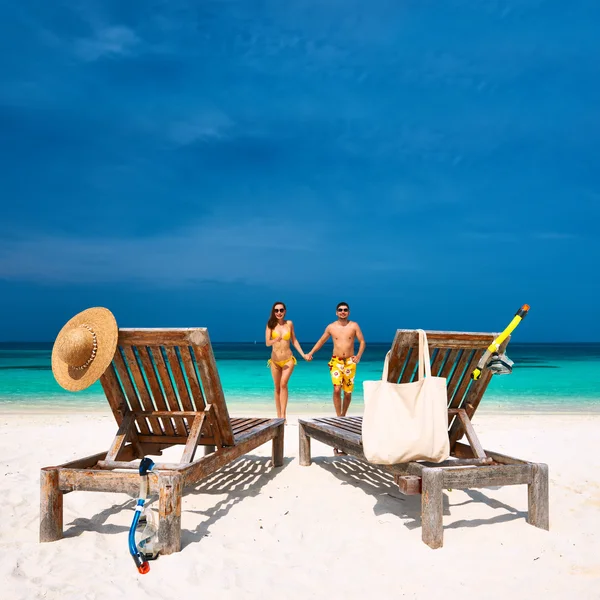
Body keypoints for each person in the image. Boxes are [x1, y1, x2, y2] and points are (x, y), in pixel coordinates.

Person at [307, 301, 366, 434]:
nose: (342, 312)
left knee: (348, 392)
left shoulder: (354, 325)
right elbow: (321, 341)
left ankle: (343, 415)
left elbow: (362, 341)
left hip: (350, 362)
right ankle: (338, 416)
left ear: (348, 312)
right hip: (336, 361)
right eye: (340, 310)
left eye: (345, 310)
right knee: (337, 389)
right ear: (336, 312)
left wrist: (359, 356)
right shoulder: (331, 327)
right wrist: (310, 353)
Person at [265, 301, 308, 421]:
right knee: (277, 387)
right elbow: (267, 342)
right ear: (273, 312)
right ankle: (278, 416)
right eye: (276, 310)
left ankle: (284, 415)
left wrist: (303, 355)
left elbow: (294, 340)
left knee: (283, 384)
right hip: (274, 361)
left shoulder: (289, 323)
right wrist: (275, 340)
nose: (279, 313)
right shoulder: (270, 324)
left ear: (285, 311)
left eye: (281, 310)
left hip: (288, 359)